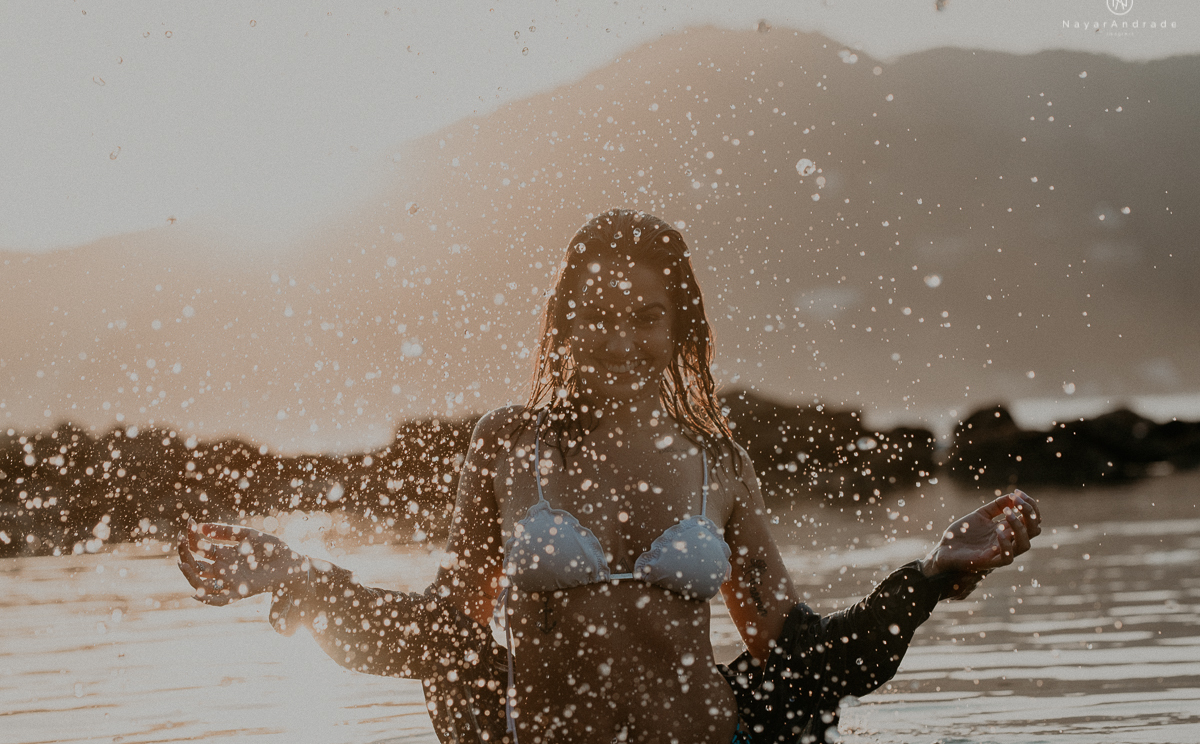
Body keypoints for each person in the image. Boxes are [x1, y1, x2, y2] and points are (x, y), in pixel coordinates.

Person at [179, 209, 1041, 744]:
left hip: (711, 738)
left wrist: (935, 572)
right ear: (560, 324)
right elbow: (447, 631)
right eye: (595, 315)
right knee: (465, 663)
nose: (619, 339)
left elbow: (801, 649)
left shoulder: (719, 462)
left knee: (796, 684)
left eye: (645, 318)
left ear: (678, 331)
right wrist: (296, 577)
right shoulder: (507, 444)